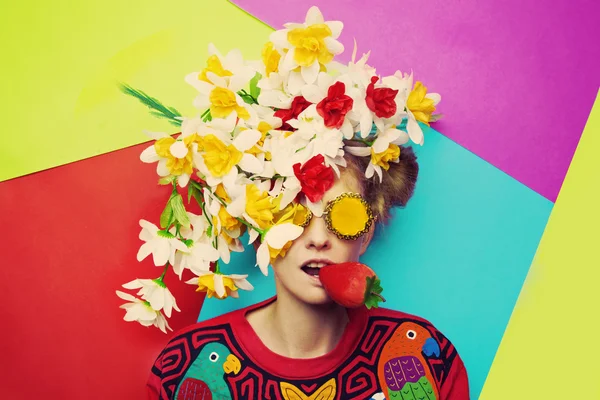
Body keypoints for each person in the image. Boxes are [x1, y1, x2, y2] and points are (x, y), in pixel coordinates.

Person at [117, 6, 469, 400]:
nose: (317, 238)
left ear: (367, 233)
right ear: (256, 225)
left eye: (343, 215)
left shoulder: (424, 357)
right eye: (293, 212)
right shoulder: (184, 368)